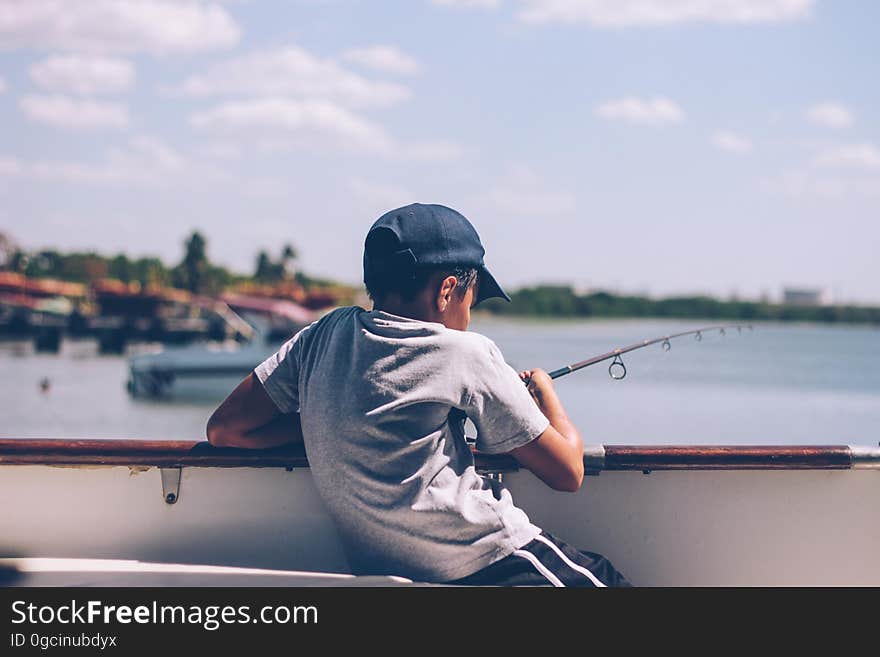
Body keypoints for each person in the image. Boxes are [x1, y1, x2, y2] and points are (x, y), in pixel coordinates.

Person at [206, 203, 630, 587]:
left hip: (393, 572)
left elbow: (226, 429)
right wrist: (545, 392)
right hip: (491, 560)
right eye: (472, 298)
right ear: (447, 290)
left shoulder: (323, 335)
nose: (469, 314)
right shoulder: (466, 352)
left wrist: (330, 427)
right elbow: (567, 472)